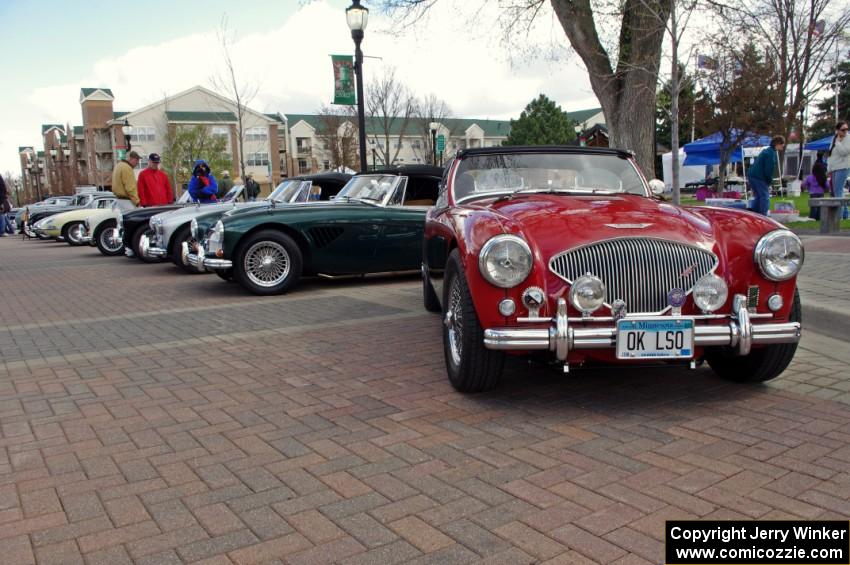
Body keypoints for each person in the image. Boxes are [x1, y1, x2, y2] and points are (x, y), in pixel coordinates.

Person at [747, 135, 784, 216]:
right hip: (759, 176)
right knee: (765, 196)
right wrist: (769, 180)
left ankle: (754, 213)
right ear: (777, 144)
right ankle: (763, 216)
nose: (783, 146)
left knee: (758, 196)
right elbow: (768, 169)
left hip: (752, 175)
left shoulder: (766, 150)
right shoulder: (771, 153)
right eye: (782, 144)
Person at [827, 121, 850, 220]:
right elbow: (831, 154)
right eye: (843, 130)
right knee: (838, 191)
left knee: (838, 191)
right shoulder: (834, 138)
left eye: (846, 129)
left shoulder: (848, 138)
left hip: (843, 166)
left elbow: (844, 152)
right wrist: (829, 168)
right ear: (837, 130)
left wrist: (838, 142)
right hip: (835, 167)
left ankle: (839, 216)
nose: (845, 131)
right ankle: (845, 215)